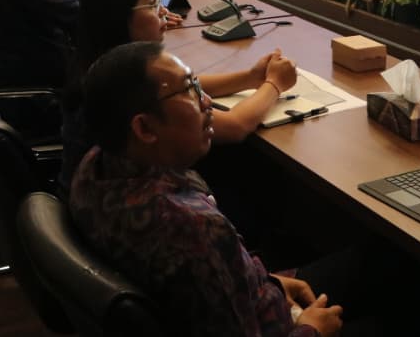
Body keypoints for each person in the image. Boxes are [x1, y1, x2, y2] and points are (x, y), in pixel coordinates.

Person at [70, 41, 346, 337]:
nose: (206, 101)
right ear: (145, 129)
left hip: (253, 293)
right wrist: (313, 329)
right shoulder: (194, 228)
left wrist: (267, 280)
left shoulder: (93, 168)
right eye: (190, 90)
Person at [58, 0, 298, 196]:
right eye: (152, 3)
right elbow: (235, 126)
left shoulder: (100, 62)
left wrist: (249, 78)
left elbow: (179, 87)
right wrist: (274, 84)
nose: (164, 11)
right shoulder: (114, 87)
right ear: (118, 15)